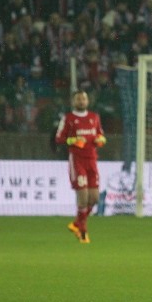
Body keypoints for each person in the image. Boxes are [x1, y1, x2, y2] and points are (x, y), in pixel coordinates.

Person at [54, 90, 106, 244]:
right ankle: (83, 232)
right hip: (77, 161)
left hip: (92, 160)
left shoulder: (94, 117)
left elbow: (100, 134)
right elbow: (59, 138)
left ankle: (77, 223)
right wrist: (73, 141)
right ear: (73, 102)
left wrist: (101, 140)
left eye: (84, 98)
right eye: (79, 99)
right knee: (83, 198)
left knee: (95, 198)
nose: (82, 101)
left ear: (88, 101)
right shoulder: (69, 118)